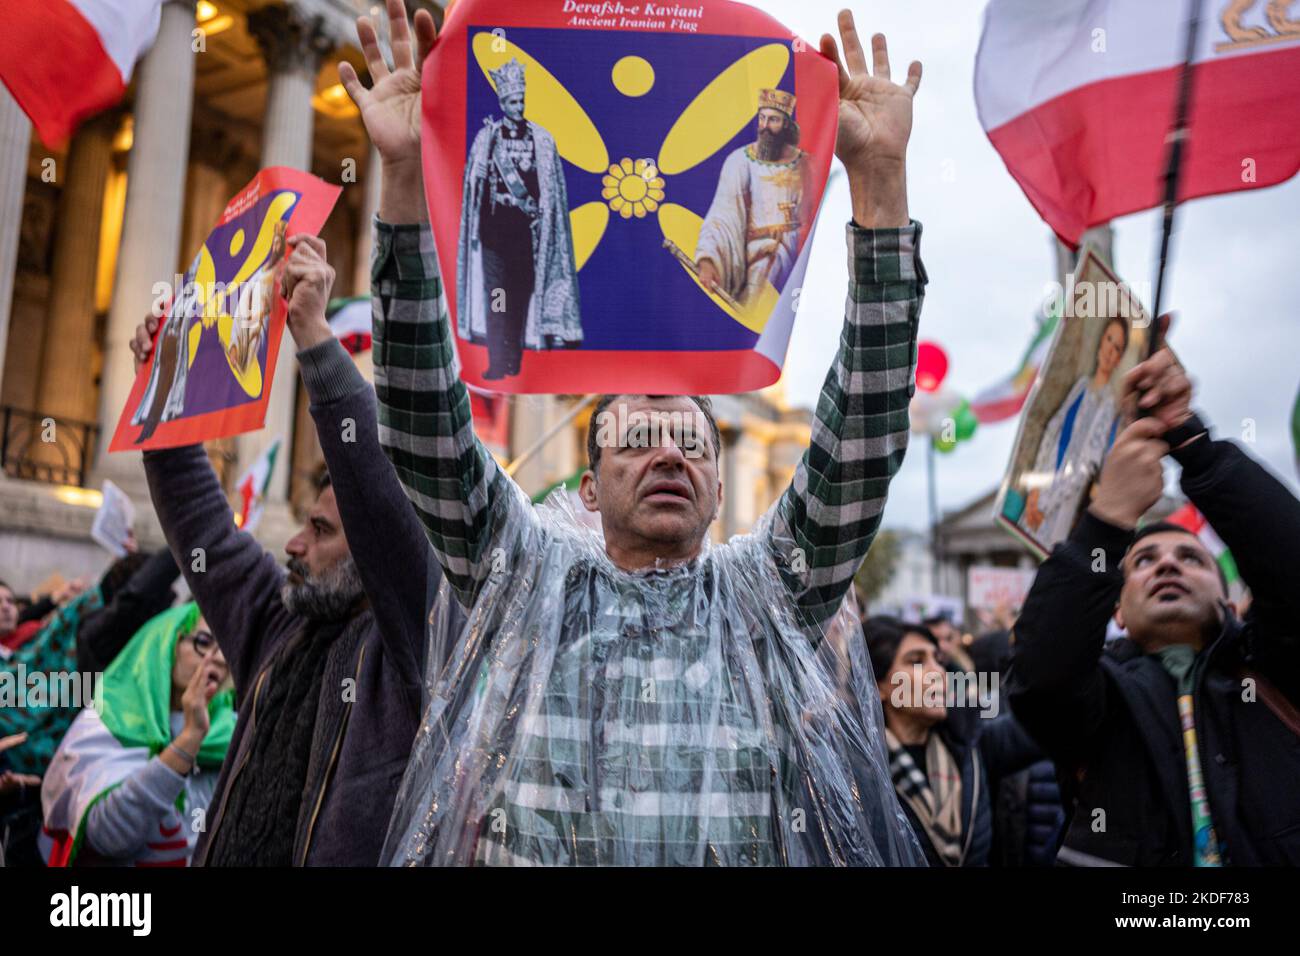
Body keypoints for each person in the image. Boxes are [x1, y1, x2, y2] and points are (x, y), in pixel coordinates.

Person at [343, 1, 928, 865]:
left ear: (721, 490)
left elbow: (865, 434)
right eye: (639, 436)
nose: (667, 451)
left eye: (691, 440)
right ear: (586, 489)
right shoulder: (526, 579)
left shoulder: (769, 595)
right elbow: (426, 426)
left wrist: (878, 188)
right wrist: (400, 182)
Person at [131, 231, 456, 865]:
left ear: (372, 559)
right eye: (307, 524)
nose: (294, 543)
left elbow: (381, 499)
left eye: (324, 531)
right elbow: (203, 524)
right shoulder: (278, 625)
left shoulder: (414, 648)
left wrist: (313, 338)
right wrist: (164, 392)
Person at [1007, 347, 1300, 866]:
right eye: (1142, 561)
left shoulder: (1271, 671)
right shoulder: (1100, 700)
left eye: (1191, 557)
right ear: (1116, 612)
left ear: (1229, 601)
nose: (1168, 565)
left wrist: (1193, 443)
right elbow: (1042, 673)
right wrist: (1108, 518)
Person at [40, 603, 233, 866]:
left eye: (228, 646)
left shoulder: (232, 733)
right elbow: (108, 837)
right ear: (165, 643)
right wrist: (188, 741)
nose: (219, 658)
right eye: (204, 642)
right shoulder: (110, 720)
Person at [865, 616, 1041, 867]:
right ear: (878, 685)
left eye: (939, 660)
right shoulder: (858, 769)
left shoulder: (972, 742)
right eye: (916, 662)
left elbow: (1048, 724)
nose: (938, 672)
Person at [457, 57, 581, 379]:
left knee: (519, 299)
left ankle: (514, 359)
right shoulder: (488, 138)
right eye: (512, 101)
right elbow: (472, 183)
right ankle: (498, 361)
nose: (518, 106)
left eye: (521, 100)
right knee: (497, 298)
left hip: (527, 236)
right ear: (502, 103)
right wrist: (478, 175)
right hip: (493, 232)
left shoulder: (541, 140)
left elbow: (551, 188)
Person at [695, 88, 813, 307]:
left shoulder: (807, 164)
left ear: (786, 124)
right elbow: (723, 214)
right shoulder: (740, 161)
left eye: (774, 120)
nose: (766, 126)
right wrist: (708, 259)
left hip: (800, 257)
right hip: (758, 255)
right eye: (762, 118)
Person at [1020, 316, 1127, 547]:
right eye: (1109, 339)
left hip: (1065, 497)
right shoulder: (1081, 386)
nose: (1110, 349)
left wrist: (1049, 501)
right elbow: (1052, 429)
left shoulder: (1108, 403)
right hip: (1043, 485)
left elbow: (1089, 462)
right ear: (1100, 342)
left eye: (1117, 347)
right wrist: (1035, 491)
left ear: (1119, 357)